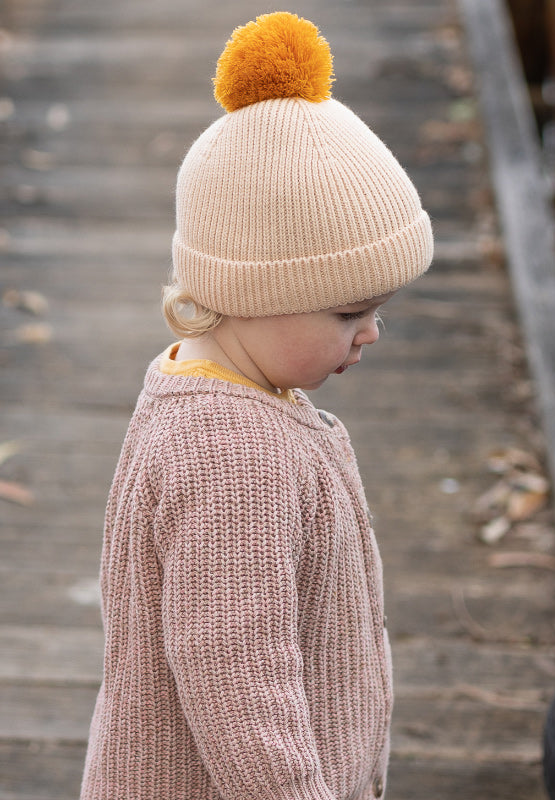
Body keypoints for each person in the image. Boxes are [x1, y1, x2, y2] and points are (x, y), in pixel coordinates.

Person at [80, 12, 433, 800]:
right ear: (251, 293)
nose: (372, 333)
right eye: (349, 312)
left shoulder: (214, 392)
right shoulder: (233, 459)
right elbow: (238, 682)